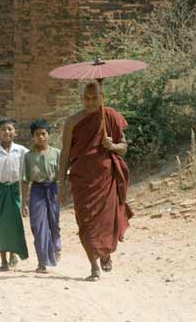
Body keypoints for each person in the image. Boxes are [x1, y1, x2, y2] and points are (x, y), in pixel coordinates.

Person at [59, 82, 133, 281]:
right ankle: (93, 265)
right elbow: (65, 153)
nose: (90, 102)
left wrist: (113, 145)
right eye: (86, 98)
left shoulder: (109, 116)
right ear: (82, 98)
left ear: (102, 96)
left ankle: (105, 252)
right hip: (82, 179)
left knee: (106, 221)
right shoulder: (72, 121)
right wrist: (61, 183)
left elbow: (124, 147)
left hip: (105, 177)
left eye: (94, 97)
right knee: (85, 221)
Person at [0, 118, 29, 271]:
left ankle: (13, 253)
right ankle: (3, 259)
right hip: (1, 191)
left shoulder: (22, 151)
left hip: (16, 190)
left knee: (15, 223)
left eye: (10, 129)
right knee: (1, 224)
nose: (7, 132)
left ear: (16, 133)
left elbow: (31, 164)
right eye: (3, 129)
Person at [21, 118, 61, 274]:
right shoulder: (28, 156)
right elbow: (25, 180)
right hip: (37, 190)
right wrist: (24, 202)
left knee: (54, 223)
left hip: (53, 189)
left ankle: (56, 247)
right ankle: (42, 261)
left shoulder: (57, 153)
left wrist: (63, 193)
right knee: (38, 226)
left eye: (43, 134)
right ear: (33, 136)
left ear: (48, 135)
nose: (41, 137)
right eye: (37, 134)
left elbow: (63, 176)